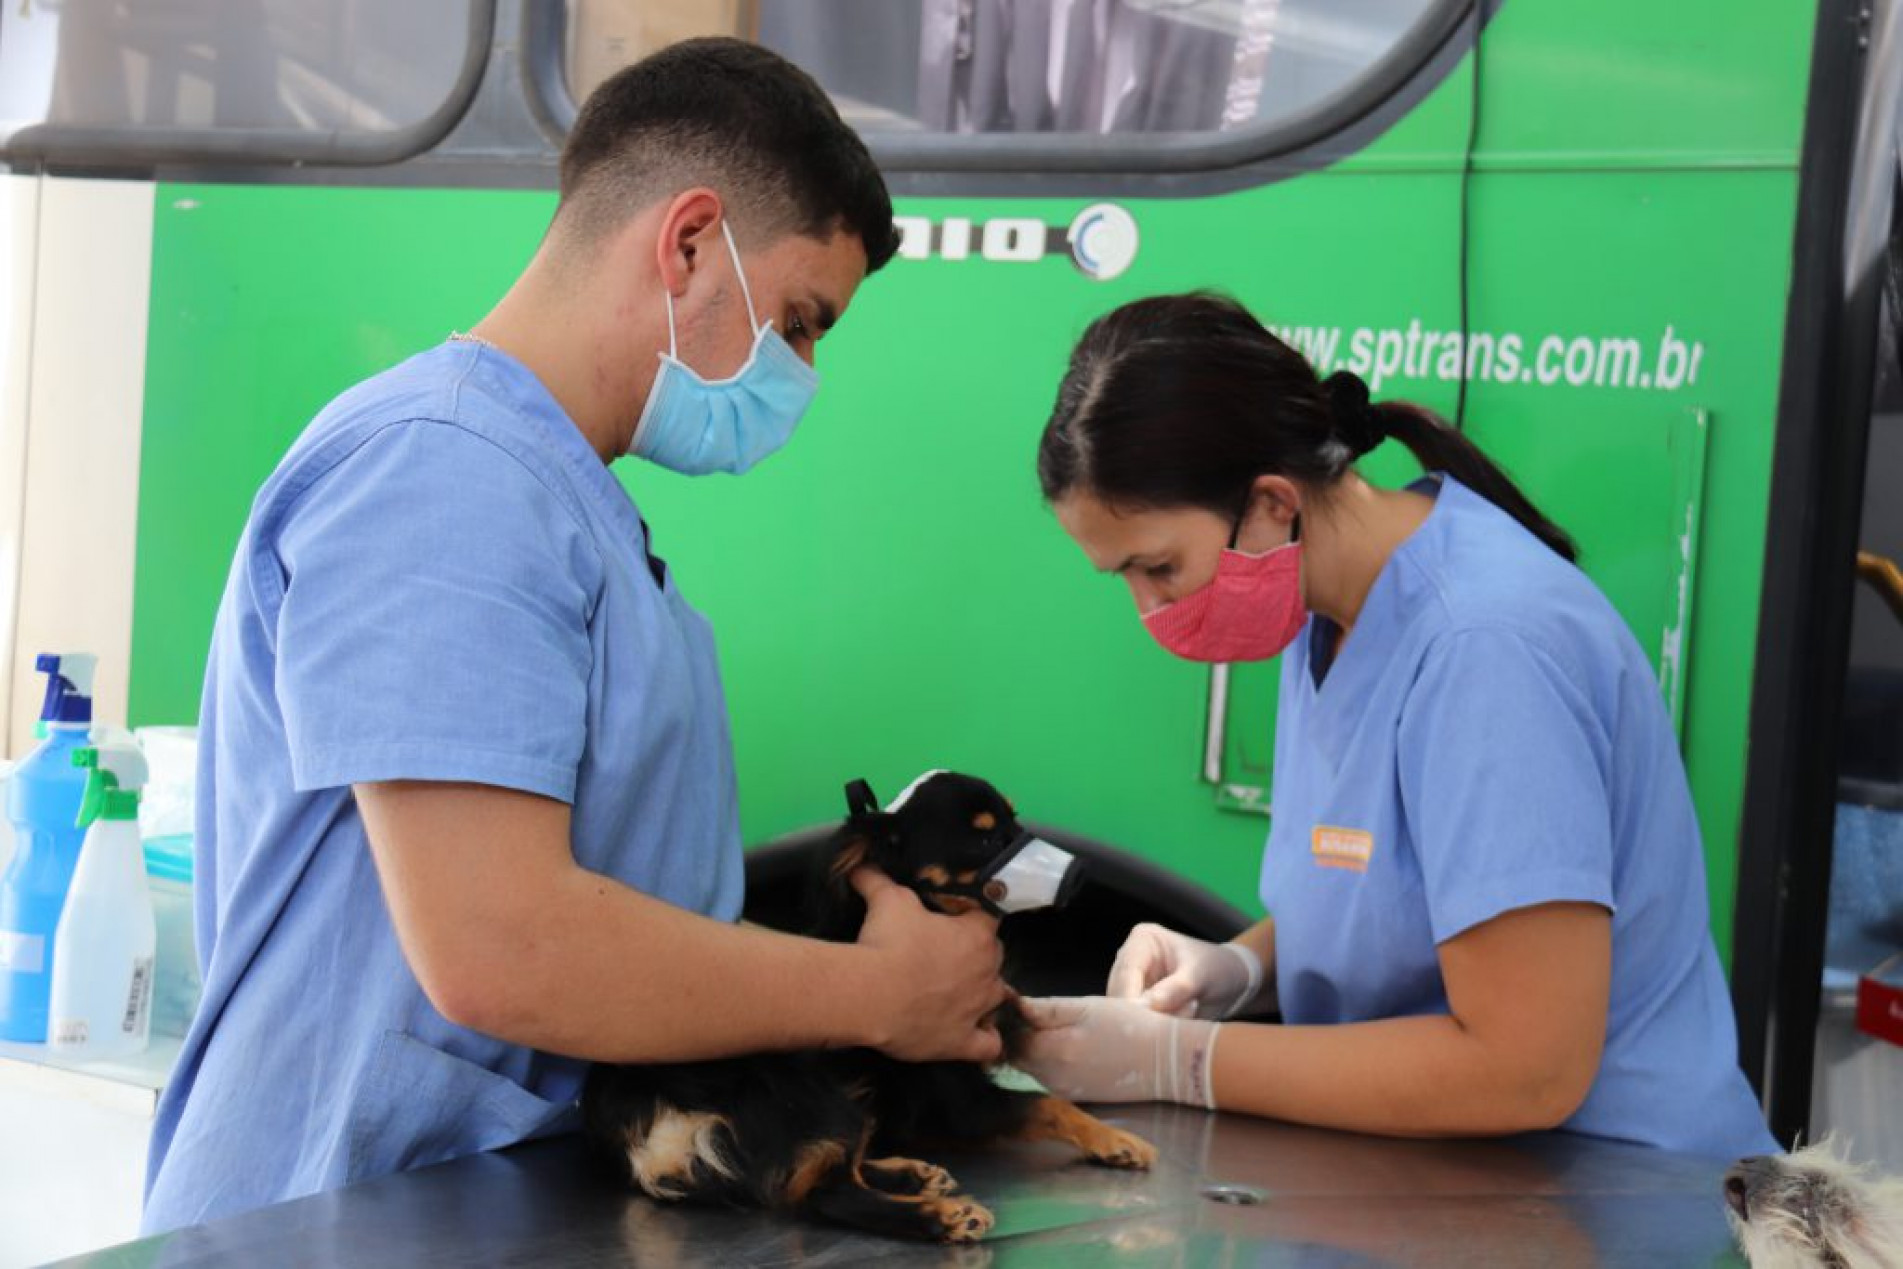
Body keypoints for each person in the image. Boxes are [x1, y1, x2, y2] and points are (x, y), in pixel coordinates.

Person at [141, 39, 1008, 1233]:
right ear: (690, 240)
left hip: (482, 1211)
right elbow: (504, 946)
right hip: (342, 1216)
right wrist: (877, 994)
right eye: (800, 324)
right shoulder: (440, 476)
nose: (802, 375)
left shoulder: (560, 502)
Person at [1015, 293, 1777, 1160]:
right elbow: (1403, 891)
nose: (1148, 608)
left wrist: (1181, 1061)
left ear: (1271, 501)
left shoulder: (1482, 649)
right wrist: (1238, 968)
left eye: (1157, 566)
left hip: (1612, 1187)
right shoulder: (1328, 615)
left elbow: (1525, 1066)